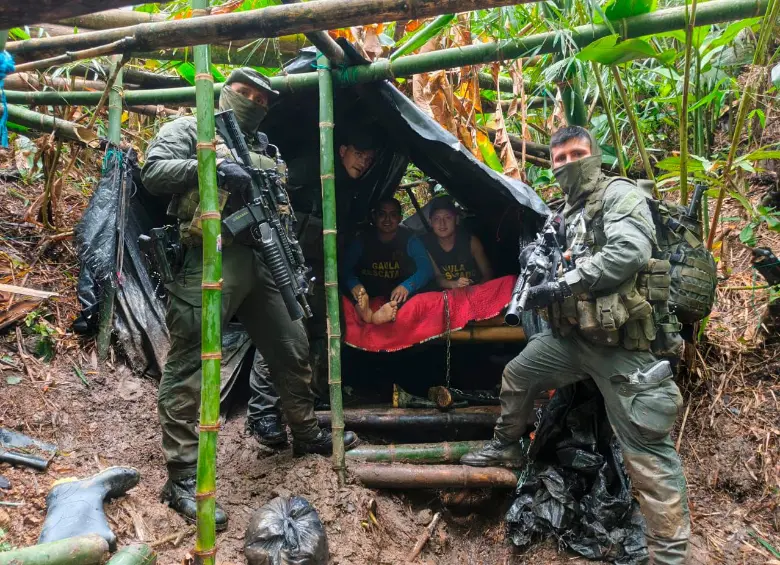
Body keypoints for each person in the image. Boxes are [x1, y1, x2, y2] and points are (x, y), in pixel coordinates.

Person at [460, 126, 690, 563]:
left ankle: (671, 557)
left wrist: (564, 283)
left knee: (648, 455)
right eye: (560, 158)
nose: (568, 164)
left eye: (576, 154)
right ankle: (507, 444)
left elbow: (630, 251)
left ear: (595, 155)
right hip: (573, 341)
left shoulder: (619, 195)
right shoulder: (563, 213)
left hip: (624, 348)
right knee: (518, 375)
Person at [141, 68, 358, 529]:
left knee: (294, 345)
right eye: (243, 92)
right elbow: (154, 173)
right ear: (225, 91)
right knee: (191, 363)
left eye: (261, 98)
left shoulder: (265, 149)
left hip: (265, 257)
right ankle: (182, 478)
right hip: (212, 256)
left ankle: (305, 432)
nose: (251, 101)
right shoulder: (189, 129)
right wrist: (211, 166)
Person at [245, 129, 379, 446]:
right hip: (286, 264)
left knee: (321, 332)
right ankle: (263, 414)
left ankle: (309, 403)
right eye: (359, 154)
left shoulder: (350, 188)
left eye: (369, 159)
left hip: (318, 270)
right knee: (282, 333)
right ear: (343, 148)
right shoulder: (311, 166)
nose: (364, 162)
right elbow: (271, 190)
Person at [342, 197, 434, 325]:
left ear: (400, 218)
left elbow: (426, 269)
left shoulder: (409, 239)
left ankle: (378, 315)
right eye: (382, 214)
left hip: (396, 294)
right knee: (342, 295)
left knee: (421, 298)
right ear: (374, 217)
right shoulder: (362, 239)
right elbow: (344, 268)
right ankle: (365, 310)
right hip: (368, 292)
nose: (387, 220)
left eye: (393, 215)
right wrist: (354, 285)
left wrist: (407, 286)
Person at [423, 196, 493, 289]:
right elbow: (438, 277)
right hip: (450, 295)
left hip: (478, 288)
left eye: (448, 218)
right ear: (431, 222)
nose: (442, 223)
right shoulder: (428, 245)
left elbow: (487, 272)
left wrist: (479, 289)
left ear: (456, 220)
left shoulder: (470, 241)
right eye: (437, 219)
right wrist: (454, 284)